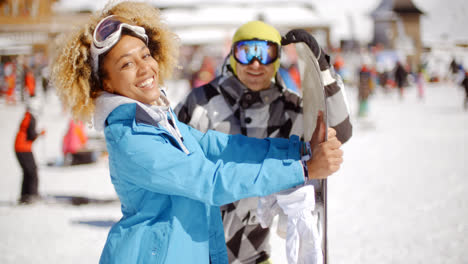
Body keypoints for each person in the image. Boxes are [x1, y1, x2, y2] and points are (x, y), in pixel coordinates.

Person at [50, 2, 344, 263]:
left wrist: (297, 150)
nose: (144, 68)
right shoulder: (131, 137)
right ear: (106, 85)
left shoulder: (157, 119)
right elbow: (211, 181)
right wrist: (301, 169)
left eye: (145, 55)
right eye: (126, 64)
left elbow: (219, 146)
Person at [176, 21, 352, 263]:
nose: (256, 63)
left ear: (277, 59)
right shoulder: (201, 100)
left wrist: (322, 70)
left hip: (252, 251)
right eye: (246, 52)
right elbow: (170, 150)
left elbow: (338, 132)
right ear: (233, 56)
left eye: (265, 53)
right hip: (195, 245)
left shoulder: (289, 108)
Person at [14, 100, 45, 204]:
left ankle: (25, 195)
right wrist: (40, 133)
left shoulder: (27, 116)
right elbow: (31, 135)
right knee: (32, 171)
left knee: (28, 171)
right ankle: (31, 194)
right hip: (23, 148)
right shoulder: (31, 118)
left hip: (21, 147)